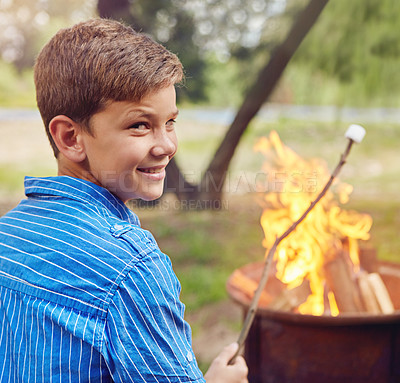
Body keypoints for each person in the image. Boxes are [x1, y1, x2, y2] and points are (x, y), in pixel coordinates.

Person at [0, 19, 248, 382]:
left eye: (170, 122)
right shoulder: (130, 269)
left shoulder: (8, 232)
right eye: (140, 125)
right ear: (70, 138)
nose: (166, 146)